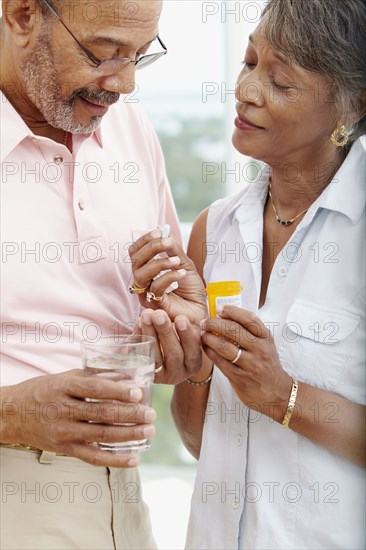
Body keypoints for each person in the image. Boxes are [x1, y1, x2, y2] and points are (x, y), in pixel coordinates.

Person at [128, 0, 366, 548]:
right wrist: (194, 352)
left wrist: (284, 394)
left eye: (280, 81)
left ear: (349, 108)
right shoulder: (215, 230)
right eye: (249, 60)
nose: (247, 89)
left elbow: (275, 398)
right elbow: (200, 440)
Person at [0, 0, 186, 548]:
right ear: (21, 14)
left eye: (140, 56)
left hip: (125, 501)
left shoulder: (131, 129)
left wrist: (181, 332)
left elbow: (167, 326)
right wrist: (10, 415)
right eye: (104, 54)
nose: (125, 83)